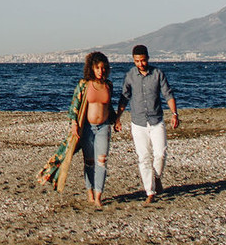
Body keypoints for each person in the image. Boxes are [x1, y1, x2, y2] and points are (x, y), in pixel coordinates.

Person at [114, 44, 179, 204]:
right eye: (137, 61)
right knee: (143, 157)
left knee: (161, 153)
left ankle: (156, 177)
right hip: (138, 123)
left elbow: (168, 94)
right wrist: (118, 117)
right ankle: (150, 192)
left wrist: (175, 114)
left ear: (148, 58)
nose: (140, 64)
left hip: (156, 120)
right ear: (133, 60)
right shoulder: (130, 75)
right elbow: (124, 97)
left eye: (143, 60)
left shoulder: (157, 74)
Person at [76, 50, 115, 208]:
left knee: (102, 161)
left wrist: (116, 120)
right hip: (87, 128)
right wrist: (74, 126)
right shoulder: (84, 85)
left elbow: (109, 107)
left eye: (103, 68)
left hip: (104, 127)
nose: (101, 71)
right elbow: (75, 106)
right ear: (91, 68)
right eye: (98, 68)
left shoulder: (108, 85)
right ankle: (90, 191)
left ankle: (99, 195)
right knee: (89, 162)